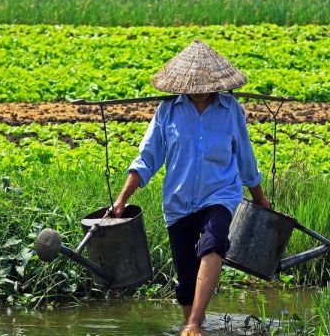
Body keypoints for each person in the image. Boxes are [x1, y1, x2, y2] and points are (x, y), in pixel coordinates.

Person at [108, 41, 271, 336]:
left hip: (220, 195)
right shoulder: (168, 111)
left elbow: (245, 157)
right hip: (179, 201)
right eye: (194, 86)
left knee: (214, 242)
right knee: (186, 279)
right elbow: (147, 159)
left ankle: (194, 322)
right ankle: (192, 326)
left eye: (206, 85)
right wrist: (121, 199)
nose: (200, 90)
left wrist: (259, 197)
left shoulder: (230, 110)